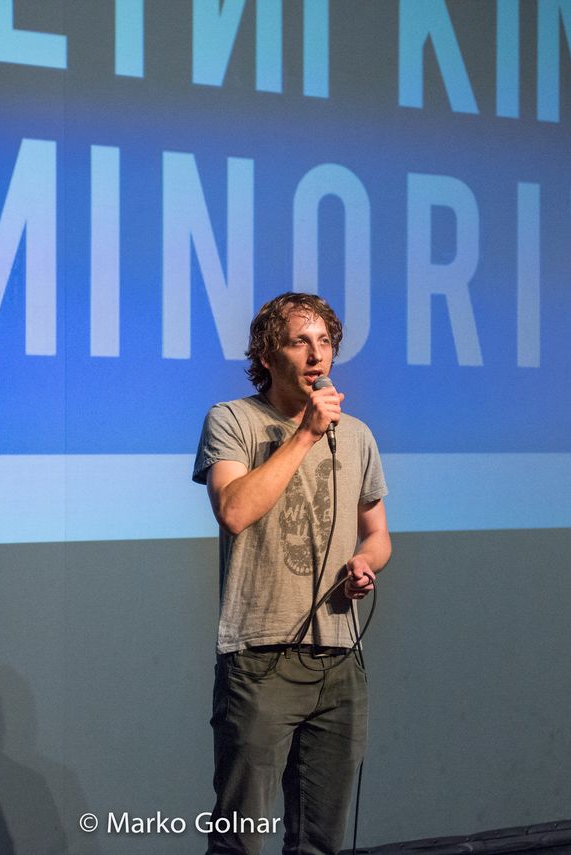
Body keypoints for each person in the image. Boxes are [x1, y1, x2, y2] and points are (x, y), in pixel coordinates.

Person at [193, 292, 391, 855]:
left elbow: (378, 536)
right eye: (299, 340)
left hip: (339, 660)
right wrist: (303, 434)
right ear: (266, 353)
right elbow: (233, 510)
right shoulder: (233, 420)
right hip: (260, 660)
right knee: (240, 840)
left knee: (320, 841)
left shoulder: (356, 436)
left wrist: (364, 564)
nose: (316, 354)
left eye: (324, 341)